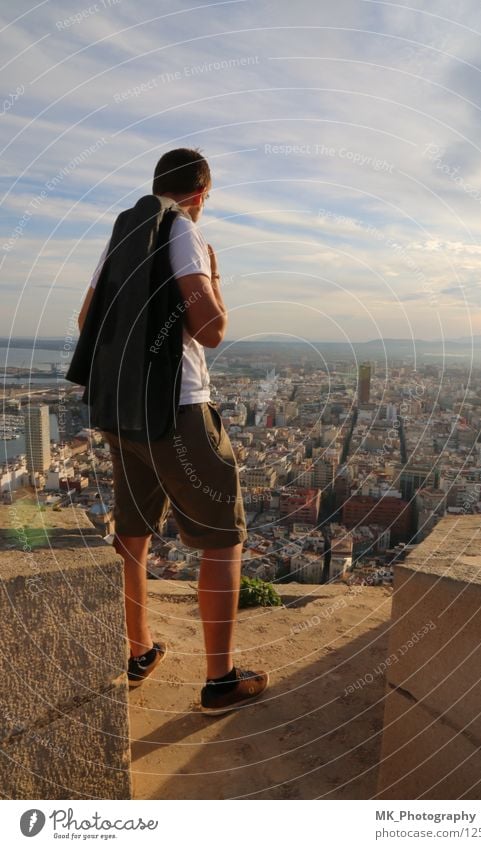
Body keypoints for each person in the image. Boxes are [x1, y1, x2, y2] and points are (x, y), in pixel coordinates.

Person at [76, 148, 268, 715]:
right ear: (201, 194)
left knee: (132, 534)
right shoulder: (182, 229)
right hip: (177, 411)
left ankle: (139, 651)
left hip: (122, 413)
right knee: (223, 537)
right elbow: (209, 328)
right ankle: (220, 679)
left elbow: (88, 319)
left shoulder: (124, 234)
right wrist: (213, 279)